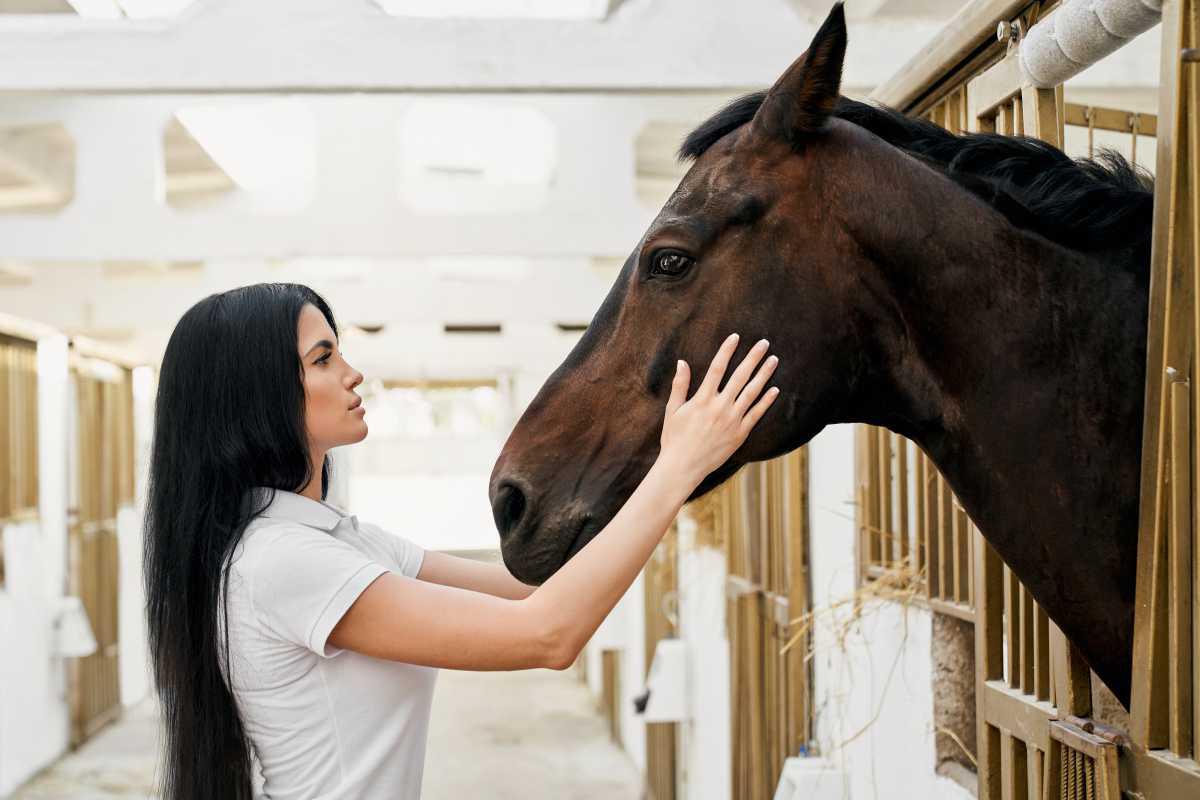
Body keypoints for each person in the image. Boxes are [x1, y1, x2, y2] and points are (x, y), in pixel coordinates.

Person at [143, 282, 780, 800]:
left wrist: (650, 461)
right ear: (256, 397)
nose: (353, 373)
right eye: (323, 359)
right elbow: (546, 635)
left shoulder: (344, 543)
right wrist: (677, 469)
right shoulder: (282, 562)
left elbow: (538, 588)